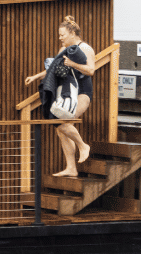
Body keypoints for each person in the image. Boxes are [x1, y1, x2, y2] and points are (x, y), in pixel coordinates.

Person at [23, 16, 96, 178]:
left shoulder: (85, 48)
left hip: (82, 92)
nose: (60, 38)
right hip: (66, 92)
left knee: (61, 122)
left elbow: (91, 70)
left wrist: (73, 64)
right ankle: (71, 168)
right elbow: (52, 69)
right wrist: (35, 77)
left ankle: (83, 146)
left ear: (72, 33)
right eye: (59, 35)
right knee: (60, 129)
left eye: (62, 35)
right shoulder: (63, 50)